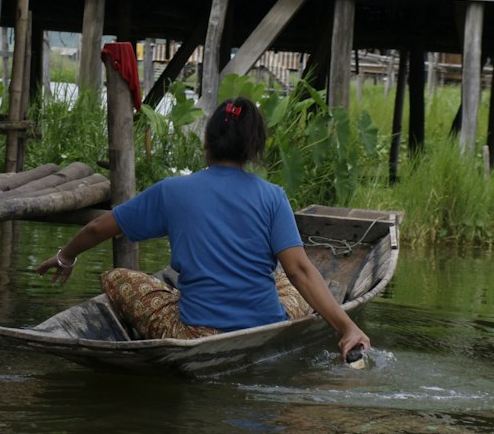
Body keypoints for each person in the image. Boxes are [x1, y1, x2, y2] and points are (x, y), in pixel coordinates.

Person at [37, 96, 371, 361]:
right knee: (287, 280)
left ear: (206, 143)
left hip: (196, 333)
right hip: (266, 324)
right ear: (252, 150)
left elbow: (98, 228)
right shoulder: (273, 196)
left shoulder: (173, 191)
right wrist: (347, 326)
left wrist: (66, 257)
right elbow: (300, 271)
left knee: (117, 277)